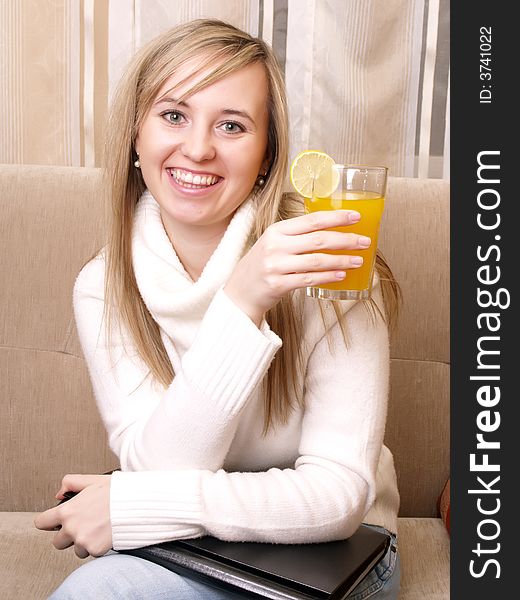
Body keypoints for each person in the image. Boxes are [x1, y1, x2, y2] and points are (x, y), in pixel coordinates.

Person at [34, 18, 402, 599]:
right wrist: (241, 304)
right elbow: (159, 468)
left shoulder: (332, 265)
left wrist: (131, 504)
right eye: (173, 115)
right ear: (136, 132)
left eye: (232, 125)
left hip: (337, 558)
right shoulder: (102, 286)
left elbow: (337, 499)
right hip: (186, 546)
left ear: (267, 155)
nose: (199, 148)